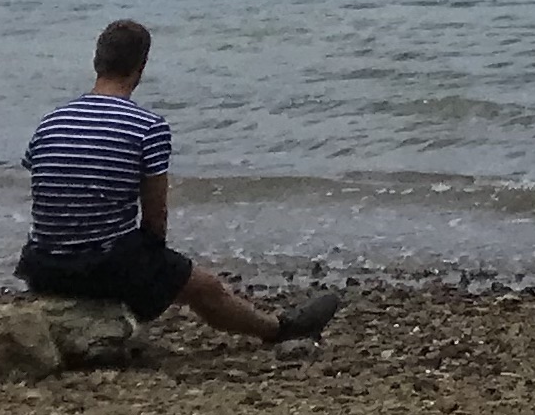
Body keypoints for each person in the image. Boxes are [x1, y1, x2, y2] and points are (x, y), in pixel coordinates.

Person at [18, 19, 341, 345]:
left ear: (96, 61)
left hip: (41, 267)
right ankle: (280, 329)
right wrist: (158, 271)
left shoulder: (52, 121)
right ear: (140, 67)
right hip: (99, 267)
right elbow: (156, 220)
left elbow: (44, 183)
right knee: (206, 289)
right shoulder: (147, 126)